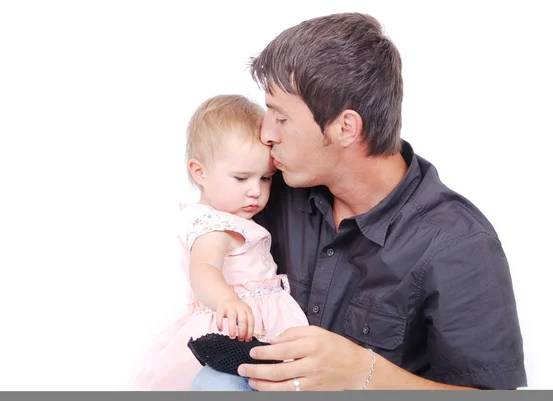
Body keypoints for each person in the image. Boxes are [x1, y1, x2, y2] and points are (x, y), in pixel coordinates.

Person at [190, 12, 527, 391]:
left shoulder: (458, 245)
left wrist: (364, 374)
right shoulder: (268, 190)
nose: (265, 133)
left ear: (345, 128)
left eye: (280, 117)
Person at [132, 94, 309, 391]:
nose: (256, 191)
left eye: (265, 178)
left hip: (259, 323)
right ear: (199, 172)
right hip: (233, 329)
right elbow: (203, 269)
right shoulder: (213, 225)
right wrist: (226, 300)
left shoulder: (236, 219)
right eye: (241, 178)